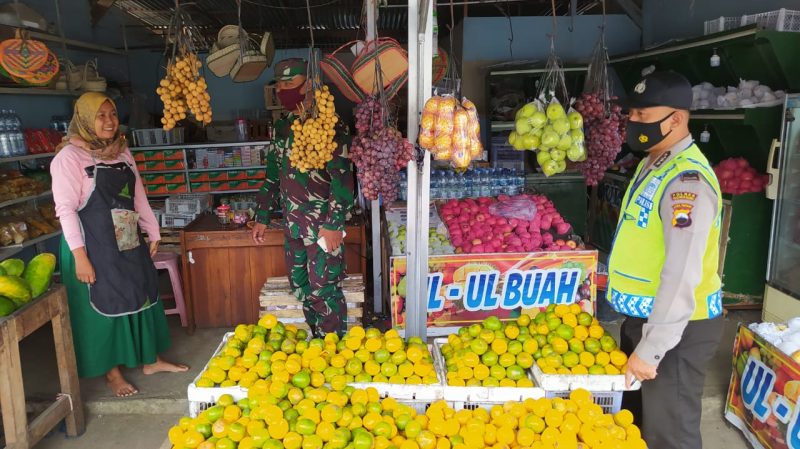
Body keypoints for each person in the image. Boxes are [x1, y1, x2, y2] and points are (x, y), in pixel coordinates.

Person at [607, 71, 724, 448]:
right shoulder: (653, 163)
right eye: (632, 115)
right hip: (643, 321)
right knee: (637, 426)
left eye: (644, 116)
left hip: (677, 331)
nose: (633, 123)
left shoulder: (685, 181)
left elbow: (681, 271)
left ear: (676, 119)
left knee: (669, 434)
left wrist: (652, 348)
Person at [51, 92, 188, 397]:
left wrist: (153, 231)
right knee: (104, 304)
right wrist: (80, 256)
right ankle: (112, 373)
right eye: (101, 115)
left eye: (112, 114)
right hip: (90, 243)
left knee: (140, 293)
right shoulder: (68, 159)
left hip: (125, 235)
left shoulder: (121, 151)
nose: (109, 121)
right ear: (85, 120)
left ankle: (150, 360)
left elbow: (138, 193)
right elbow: (66, 210)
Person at [252, 58, 354, 338]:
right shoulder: (283, 126)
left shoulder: (329, 125)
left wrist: (334, 223)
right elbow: (272, 175)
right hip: (293, 227)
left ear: (309, 84)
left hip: (322, 227)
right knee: (302, 289)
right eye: (280, 85)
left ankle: (335, 349)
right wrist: (261, 216)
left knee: (325, 290)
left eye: (291, 83)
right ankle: (319, 344)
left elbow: (343, 180)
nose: (284, 89)